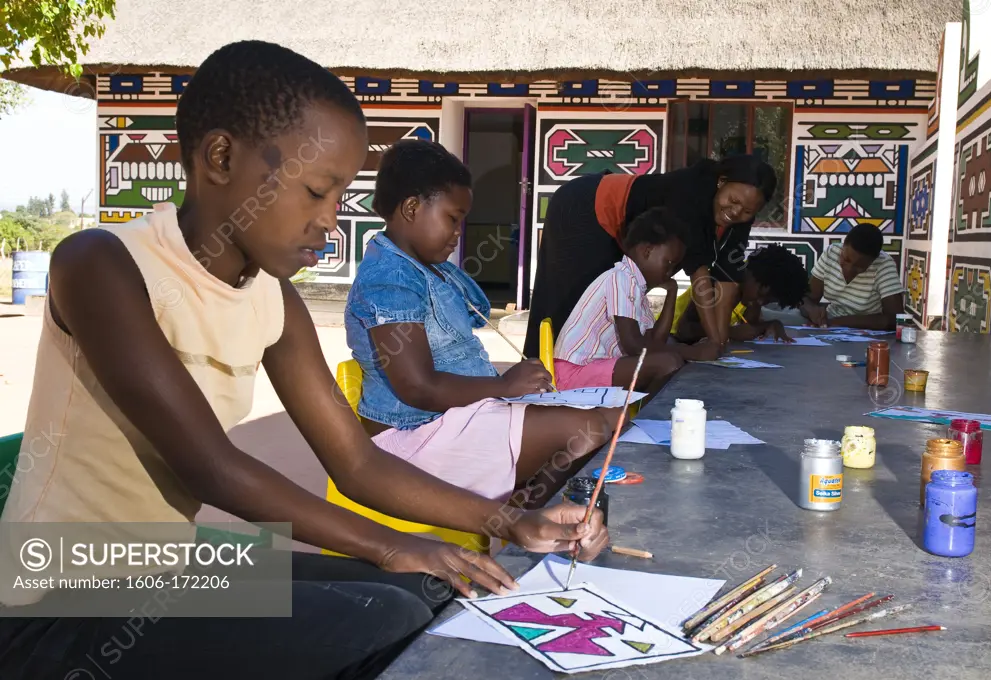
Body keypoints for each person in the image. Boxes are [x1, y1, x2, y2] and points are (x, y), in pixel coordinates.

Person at [0, 41, 608, 680]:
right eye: (316, 190)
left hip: (170, 562)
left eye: (341, 194)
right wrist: (391, 544)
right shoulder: (99, 266)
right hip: (59, 586)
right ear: (221, 157)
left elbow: (355, 462)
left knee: (431, 591)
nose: (330, 219)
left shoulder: (274, 301)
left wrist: (512, 522)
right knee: (379, 617)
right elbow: (213, 469)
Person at [346, 138, 616, 511]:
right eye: (452, 219)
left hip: (452, 421)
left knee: (609, 419)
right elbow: (418, 388)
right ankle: (525, 514)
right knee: (587, 430)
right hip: (413, 439)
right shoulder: (389, 279)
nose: (458, 232)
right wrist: (503, 385)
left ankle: (525, 505)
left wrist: (507, 388)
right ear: (411, 208)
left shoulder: (431, 269)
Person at [524, 156, 778, 358]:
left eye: (747, 211)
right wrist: (711, 342)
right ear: (721, 181)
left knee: (612, 311)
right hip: (587, 207)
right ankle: (541, 377)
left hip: (622, 232)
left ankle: (592, 379)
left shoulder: (741, 215)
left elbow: (726, 278)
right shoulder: (691, 192)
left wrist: (720, 341)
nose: (735, 212)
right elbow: (700, 277)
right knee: (570, 302)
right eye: (732, 201)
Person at [552, 208, 721, 393]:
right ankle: (644, 417)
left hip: (594, 368)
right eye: (670, 263)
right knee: (668, 363)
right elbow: (634, 345)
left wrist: (671, 293)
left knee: (669, 356)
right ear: (647, 251)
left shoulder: (637, 288)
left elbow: (656, 340)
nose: (671, 271)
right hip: (573, 373)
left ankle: (640, 413)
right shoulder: (620, 278)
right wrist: (692, 352)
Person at [671, 244, 809, 344]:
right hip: (671, 337)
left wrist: (772, 324)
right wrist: (731, 332)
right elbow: (684, 330)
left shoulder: (753, 290)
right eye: (762, 294)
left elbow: (749, 325)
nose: (760, 302)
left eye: (768, 301)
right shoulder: (720, 281)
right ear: (752, 273)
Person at [800, 224, 905, 330]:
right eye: (846, 259)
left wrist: (835, 322)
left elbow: (895, 319)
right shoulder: (831, 253)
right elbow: (808, 298)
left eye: (859, 266)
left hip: (868, 331)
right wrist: (811, 309)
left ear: (873, 260)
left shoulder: (883, 264)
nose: (849, 269)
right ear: (843, 247)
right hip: (830, 325)